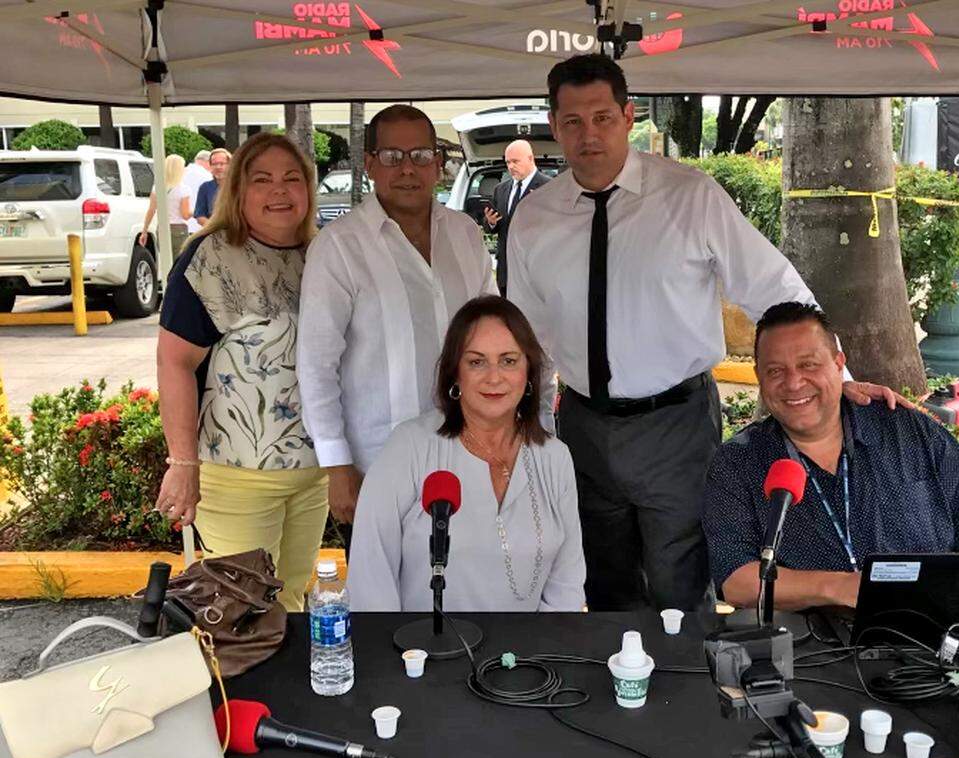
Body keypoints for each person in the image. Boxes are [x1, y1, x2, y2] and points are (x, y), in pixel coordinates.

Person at [507, 54, 899, 612]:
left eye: (602, 117)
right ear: (554, 127)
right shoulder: (535, 217)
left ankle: (686, 694)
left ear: (628, 114)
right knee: (599, 581)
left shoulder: (688, 195)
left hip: (677, 426)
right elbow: (526, 337)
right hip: (584, 426)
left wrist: (835, 372)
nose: (588, 135)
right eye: (572, 122)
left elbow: (774, 287)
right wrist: (533, 424)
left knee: (680, 587)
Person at [702, 301, 959, 611]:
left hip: (937, 633)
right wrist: (842, 587)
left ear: (839, 366)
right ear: (759, 376)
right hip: (816, 655)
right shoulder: (739, 462)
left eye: (809, 365)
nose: (793, 383)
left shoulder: (907, 429)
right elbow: (736, 580)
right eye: (775, 371)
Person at [298, 104, 497, 537]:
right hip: (377, 466)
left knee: (469, 593)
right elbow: (316, 364)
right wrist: (337, 466)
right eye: (392, 156)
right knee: (384, 603)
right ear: (369, 164)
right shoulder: (339, 247)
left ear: (438, 163)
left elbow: (494, 341)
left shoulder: (465, 235)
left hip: (468, 457)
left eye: (421, 155)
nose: (408, 168)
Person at [154, 133, 327, 612]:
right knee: (241, 615)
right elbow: (175, 362)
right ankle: (243, 693)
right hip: (237, 479)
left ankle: (281, 692)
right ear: (238, 190)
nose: (280, 191)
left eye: (292, 179)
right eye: (262, 179)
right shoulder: (211, 258)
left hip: (313, 476)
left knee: (290, 606)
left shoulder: (321, 256)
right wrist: (182, 464)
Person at [347, 296, 585, 612]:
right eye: (476, 361)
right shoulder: (409, 447)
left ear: (529, 373)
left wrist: (544, 657)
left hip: (528, 656)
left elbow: (566, 589)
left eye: (509, 360)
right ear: (455, 373)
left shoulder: (554, 458)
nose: (494, 377)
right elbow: (370, 581)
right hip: (421, 653)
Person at [482, 140, 549, 295]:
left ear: (530, 159)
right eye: (508, 162)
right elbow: (493, 226)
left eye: (515, 161)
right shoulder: (501, 189)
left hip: (534, 270)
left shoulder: (548, 187)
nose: (511, 166)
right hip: (506, 269)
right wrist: (491, 223)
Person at [139, 154, 194, 256]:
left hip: (162, 229)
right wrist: (196, 211)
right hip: (178, 229)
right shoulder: (184, 189)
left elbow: (151, 210)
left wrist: (144, 231)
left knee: (165, 262)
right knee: (177, 263)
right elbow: (185, 215)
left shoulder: (157, 187)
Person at [194, 148, 231, 227]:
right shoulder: (205, 187)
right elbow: (200, 215)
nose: (218, 167)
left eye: (222, 163)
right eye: (214, 164)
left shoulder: (240, 186)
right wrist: (215, 228)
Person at [182, 150, 214, 232]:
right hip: (200, 226)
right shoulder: (209, 177)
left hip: (181, 226)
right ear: (208, 162)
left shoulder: (181, 173)